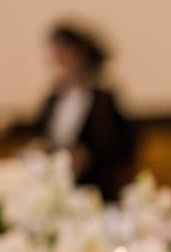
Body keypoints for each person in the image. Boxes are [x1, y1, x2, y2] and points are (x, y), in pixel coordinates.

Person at [33, 22, 135, 200]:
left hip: (94, 188)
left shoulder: (102, 100)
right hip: (57, 187)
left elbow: (122, 145)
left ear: (80, 55)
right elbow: (43, 137)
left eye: (64, 53)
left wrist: (88, 155)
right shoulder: (52, 100)